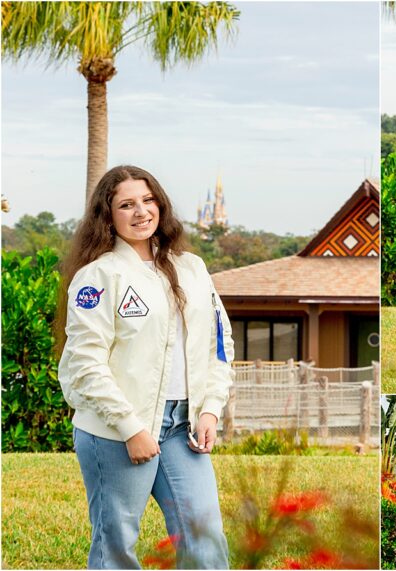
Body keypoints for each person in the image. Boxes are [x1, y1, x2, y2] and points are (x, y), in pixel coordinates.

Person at [57, 165, 234, 569]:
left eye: (147, 200)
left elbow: (219, 346)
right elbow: (86, 363)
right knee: (116, 546)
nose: (141, 211)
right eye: (126, 205)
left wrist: (209, 409)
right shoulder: (97, 277)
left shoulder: (192, 268)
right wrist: (131, 428)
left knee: (206, 543)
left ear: (161, 204)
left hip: (181, 427)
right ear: (108, 215)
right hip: (115, 431)